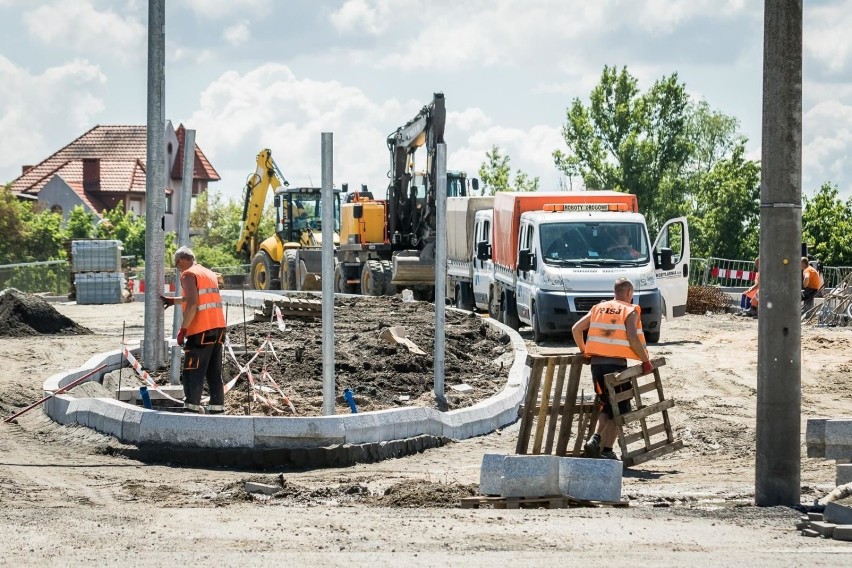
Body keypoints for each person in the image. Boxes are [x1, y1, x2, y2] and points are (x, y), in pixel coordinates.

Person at [571, 277, 652, 460]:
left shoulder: (598, 308)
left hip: (597, 366)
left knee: (605, 405)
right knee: (619, 408)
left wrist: (585, 352)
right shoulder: (629, 310)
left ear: (614, 292)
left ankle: (606, 450)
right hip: (617, 367)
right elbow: (633, 338)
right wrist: (645, 360)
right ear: (629, 293)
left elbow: (576, 329)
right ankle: (598, 440)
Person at [162, 246, 227, 414]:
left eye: (177, 266)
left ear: (181, 261)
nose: (178, 270)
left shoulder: (188, 274)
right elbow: (199, 297)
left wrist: (183, 330)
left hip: (201, 330)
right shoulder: (208, 273)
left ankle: (191, 407)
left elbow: (192, 303)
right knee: (214, 371)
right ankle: (217, 407)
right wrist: (174, 301)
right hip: (218, 328)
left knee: (193, 370)